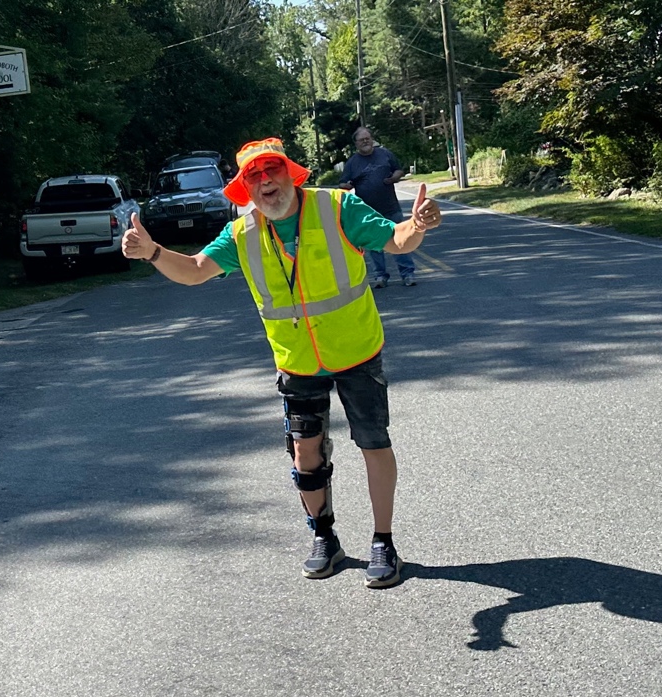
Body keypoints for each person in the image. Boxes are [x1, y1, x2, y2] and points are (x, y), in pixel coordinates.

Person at [121, 137, 443, 587]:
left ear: (290, 174)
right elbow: (194, 271)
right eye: (254, 175)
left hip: (356, 351)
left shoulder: (337, 208)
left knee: (373, 443)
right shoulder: (242, 234)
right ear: (246, 189)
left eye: (272, 169)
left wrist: (418, 224)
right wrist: (153, 252)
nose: (265, 180)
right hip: (297, 362)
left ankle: (383, 541)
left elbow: (396, 240)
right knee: (305, 452)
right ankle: (324, 536)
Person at [339, 127, 416, 288]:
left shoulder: (385, 154)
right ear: (356, 144)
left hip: (391, 207)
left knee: (400, 240)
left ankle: (407, 274)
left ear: (372, 139)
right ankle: (380, 276)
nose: (365, 141)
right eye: (362, 140)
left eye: (368, 138)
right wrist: (347, 185)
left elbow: (398, 170)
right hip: (368, 212)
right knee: (374, 245)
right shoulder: (352, 163)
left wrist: (394, 177)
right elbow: (342, 183)